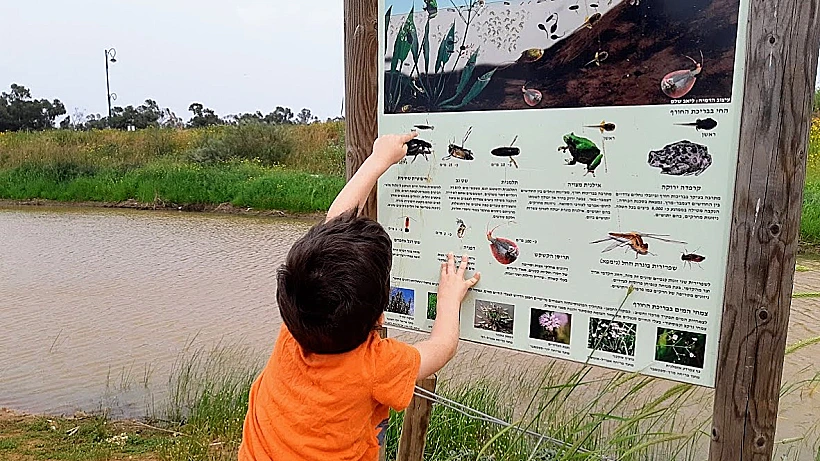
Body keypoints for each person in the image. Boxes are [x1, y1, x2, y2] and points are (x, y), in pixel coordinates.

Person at [238, 132, 481, 461]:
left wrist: (378, 160)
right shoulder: (375, 364)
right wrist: (450, 299)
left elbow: (334, 223)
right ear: (380, 312)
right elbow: (441, 348)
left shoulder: (298, 327)